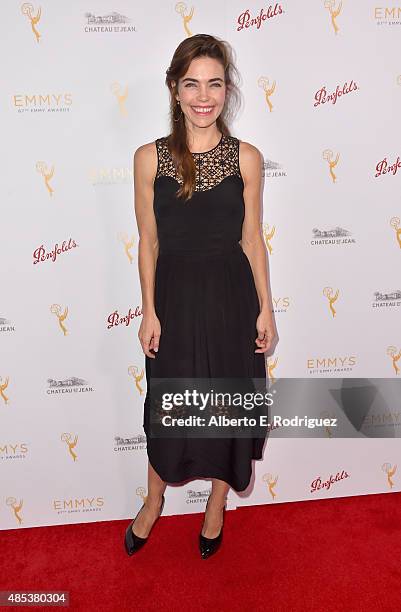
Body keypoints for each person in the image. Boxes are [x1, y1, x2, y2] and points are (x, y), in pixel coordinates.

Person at [125, 34, 276, 560]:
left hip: (232, 299)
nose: (203, 95)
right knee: (169, 406)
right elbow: (149, 241)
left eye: (214, 83)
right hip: (176, 300)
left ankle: (216, 506)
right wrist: (148, 309)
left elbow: (251, 238)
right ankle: (153, 500)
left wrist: (266, 309)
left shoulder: (247, 159)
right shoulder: (149, 158)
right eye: (192, 83)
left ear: (226, 89)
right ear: (174, 88)